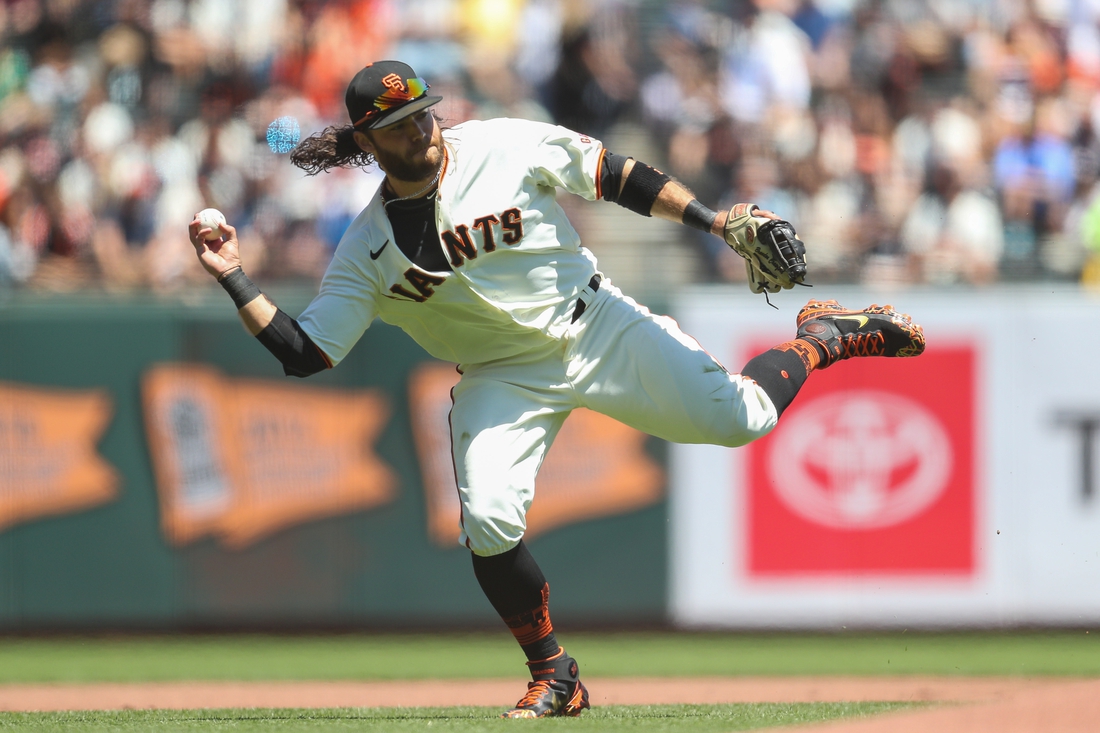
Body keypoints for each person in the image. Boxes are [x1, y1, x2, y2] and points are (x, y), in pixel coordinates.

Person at [188, 60, 926, 719]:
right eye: (397, 124)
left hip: (595, 323)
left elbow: (611, 172)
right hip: (500, 376)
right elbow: (305, 352)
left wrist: (710, 219)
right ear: (368, 141)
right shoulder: (367, 247)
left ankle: (824, 337)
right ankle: (555, 675)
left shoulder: (500, 144)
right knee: (488, 521)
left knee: (743, 417)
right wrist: (231, 274)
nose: (419, 129)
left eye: (423, 112)